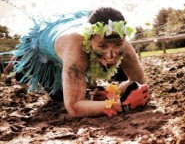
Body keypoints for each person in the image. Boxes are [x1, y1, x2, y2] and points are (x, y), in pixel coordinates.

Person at [12, 7, 150, 117]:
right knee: (58, 96)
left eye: (118, 45)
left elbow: (139, 82)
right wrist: (122, 104)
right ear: (89, 40)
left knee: (91, 95)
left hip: (70, 34)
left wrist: (109, 94)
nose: (111, 55)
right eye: (102, 46)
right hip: (42, 50)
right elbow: (74, 107)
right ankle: (18, 66)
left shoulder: (122, 41)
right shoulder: (75, 48)